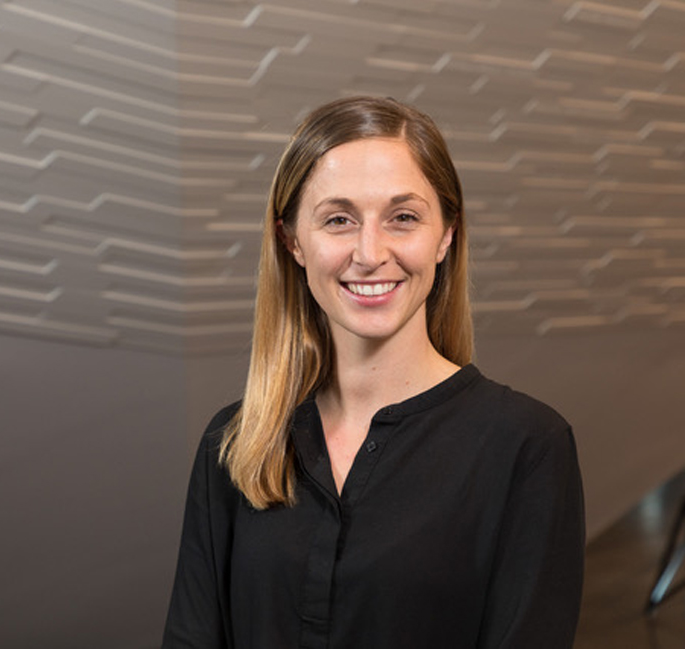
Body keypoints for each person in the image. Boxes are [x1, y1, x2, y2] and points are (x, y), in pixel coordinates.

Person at [162, 96, 584, 649]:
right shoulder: (235, 443)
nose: (369, 252)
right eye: (338, 220)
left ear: (446, 235)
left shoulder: (527, 448)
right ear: (293, 242)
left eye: (403, 217)